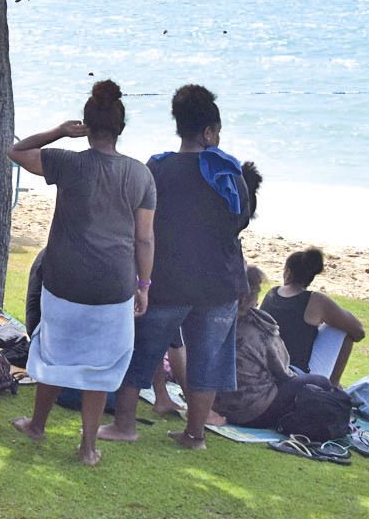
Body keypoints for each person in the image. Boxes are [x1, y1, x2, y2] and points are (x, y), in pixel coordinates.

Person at [100, 84, 256, 451]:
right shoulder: (229, 174)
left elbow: (141, 223)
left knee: (140, 353)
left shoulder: (158, 168)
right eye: (217, 131)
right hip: (219, 283)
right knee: (209, 361)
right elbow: (241, 221)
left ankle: (124, 425)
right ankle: (195, 435)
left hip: (167, 280)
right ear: (208, 131)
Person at [8, 81, 155, 466]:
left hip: (65, 278)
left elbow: (17, 150)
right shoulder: (140, 175)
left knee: (55, 353)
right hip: (113, 284)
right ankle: (88, 447)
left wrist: (59, 130)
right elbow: (144, 240)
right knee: (102, 365)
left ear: (87, 126)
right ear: (120, 128)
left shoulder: (68, 162)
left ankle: (38, 425)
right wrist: (144, 286)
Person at [217, 266, 339, 427]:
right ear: (250, 297)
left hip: (214, 403)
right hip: (252, 412)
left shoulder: (213, 319)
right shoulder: (260, 328)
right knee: (321, 381)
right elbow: (283, 372)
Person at [261, 248, 366, 387]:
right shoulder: (316, 300)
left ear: (288, 271)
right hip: (295, 374)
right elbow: (358, 332)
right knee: (342, 328)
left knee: (331, 323)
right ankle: (333, 386)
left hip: (264, 367)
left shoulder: (272, 293)